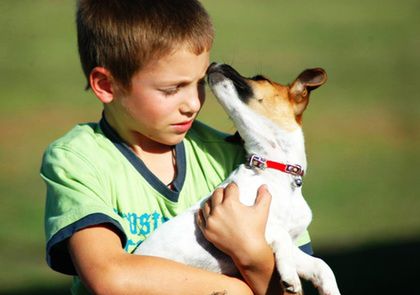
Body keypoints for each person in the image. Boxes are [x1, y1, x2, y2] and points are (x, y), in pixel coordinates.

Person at [40, 1, 312, 294]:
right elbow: (111, 278)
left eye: (200, 84)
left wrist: (253, 256)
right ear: (106, 85)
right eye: (171, 90)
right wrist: (237, 291)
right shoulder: (79, 160)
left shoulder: (238, 158)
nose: (193, 104)